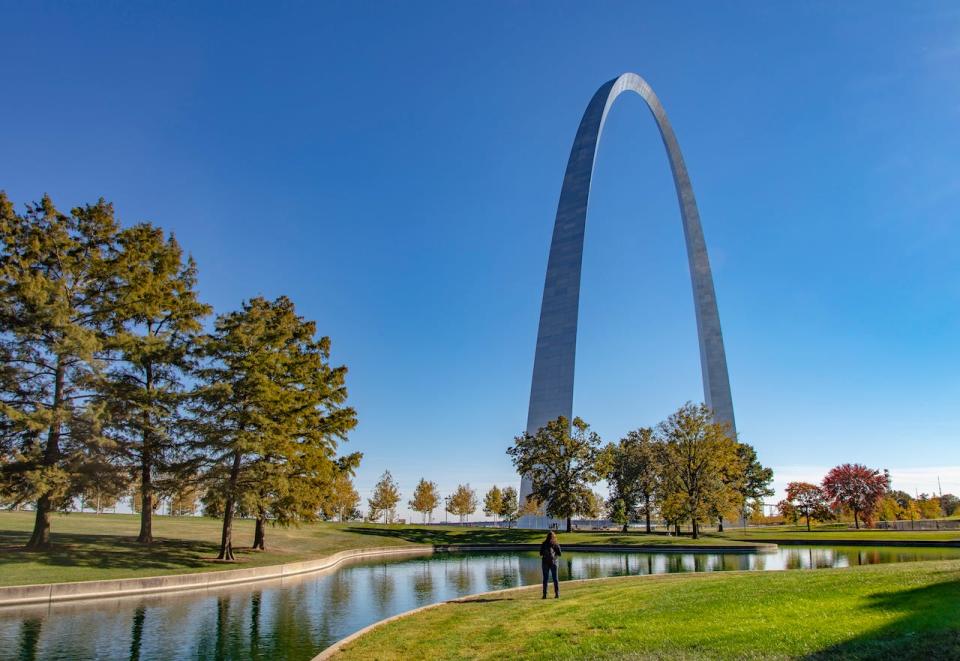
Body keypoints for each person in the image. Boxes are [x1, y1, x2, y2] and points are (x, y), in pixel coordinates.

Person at [539, 530, 562, 599]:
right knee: (555, 578)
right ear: (553, 537)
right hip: (554, 562)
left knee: (545, 579)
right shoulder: (555, 544)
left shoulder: (543, 544)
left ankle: (544, 595)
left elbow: (540, 554)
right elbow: (560, 554)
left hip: (545, 562)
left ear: (547, 537)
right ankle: (557, 594)